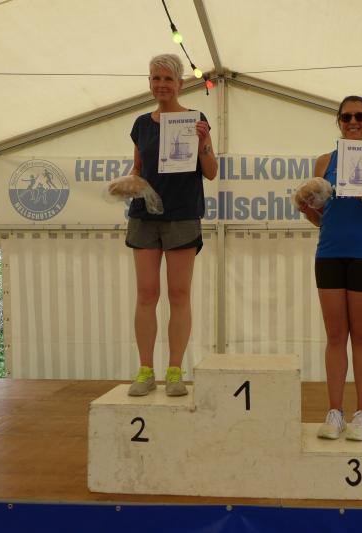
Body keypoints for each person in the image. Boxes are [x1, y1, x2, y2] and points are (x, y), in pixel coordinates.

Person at [298, 96, 362, 441]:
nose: (353, 122)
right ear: (338, 121)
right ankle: (335, 412)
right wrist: (305, 208)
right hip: (329, 254)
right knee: (335, 336)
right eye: (346, 117)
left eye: (359, 116)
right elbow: (319, 217)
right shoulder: (324, 162)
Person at [121, 54, 217, 396]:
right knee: (147, 294)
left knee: (179, 294)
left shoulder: (196, 119)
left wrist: (203, 143)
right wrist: (128, 184)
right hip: (144, 216)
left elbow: (211, 172)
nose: (161, 84)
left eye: (167, 78)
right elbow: (137, 169)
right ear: (149, 82)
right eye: (156, 78)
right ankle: (146, 370)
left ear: (179, 83)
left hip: (182, 214)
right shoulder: (140, 124)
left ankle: (175, 370)